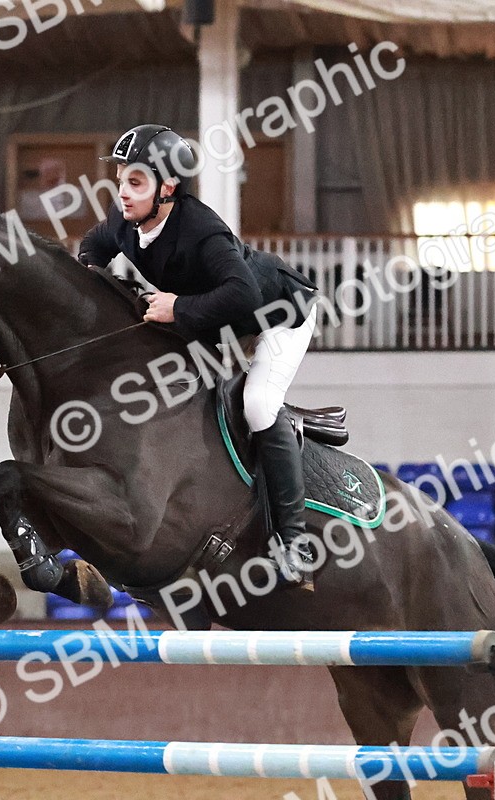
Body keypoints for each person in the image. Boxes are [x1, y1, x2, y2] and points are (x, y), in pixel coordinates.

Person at [78, 124, 320, 585]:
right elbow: (92, 247)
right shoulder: (127, 220)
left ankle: (294, 543)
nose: (122, 193)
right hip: (217, 320)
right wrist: (94, 278)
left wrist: (178, 307)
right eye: (121, 180)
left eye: (135, 182)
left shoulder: (202, 231)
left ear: (167, 187)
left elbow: (244, 295)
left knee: (258, 405)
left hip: (277, 315)